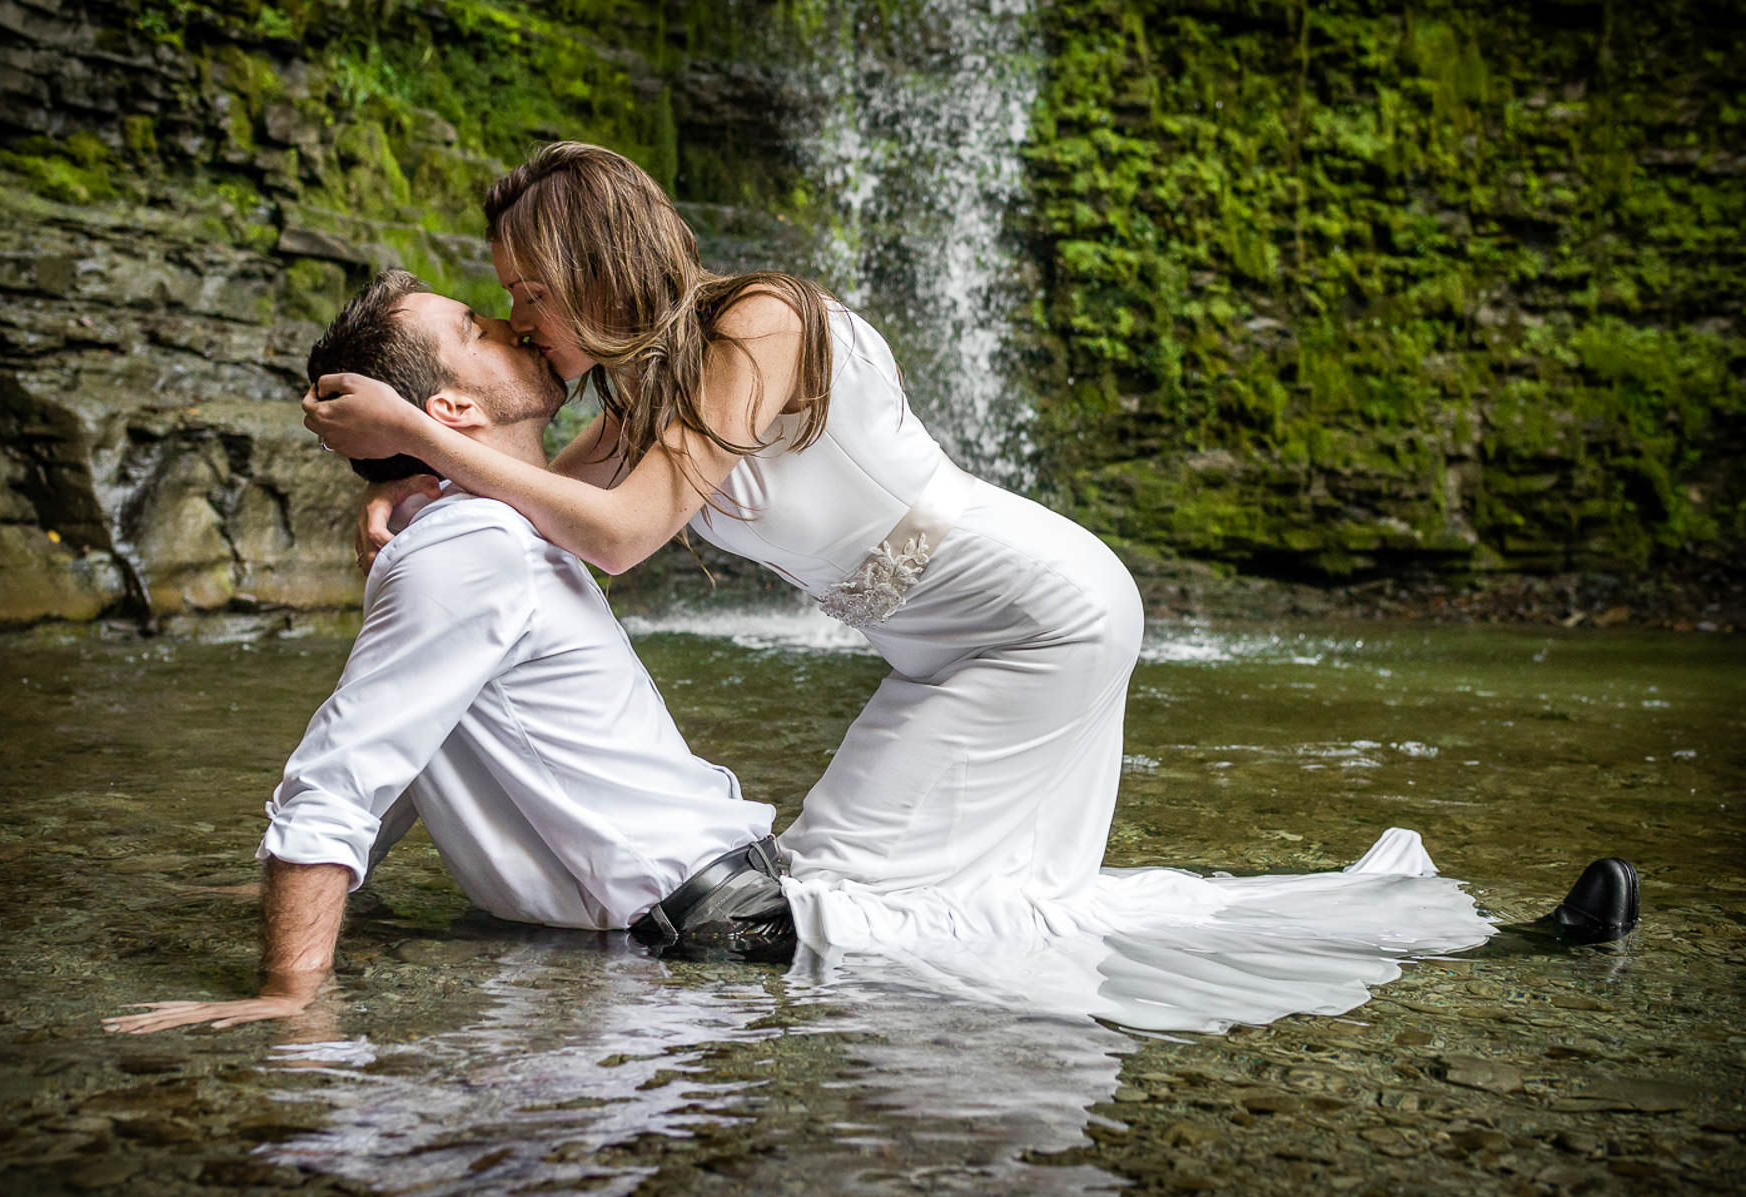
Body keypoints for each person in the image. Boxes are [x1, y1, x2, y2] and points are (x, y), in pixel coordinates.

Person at [300, 143, 1641, 962]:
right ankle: (1466, 938)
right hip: (944, 648)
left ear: (597, 260)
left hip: (1036, 617)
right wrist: (409, 491)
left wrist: (425, 433)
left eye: (530, 287)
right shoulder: (638, 407)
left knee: (833, 907)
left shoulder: (757, 323)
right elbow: (543, 501)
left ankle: (1482, 948)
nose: (525, 318)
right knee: (958, 907)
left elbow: (624, 535)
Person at [106, 271, 795, 1036]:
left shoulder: (484, 529)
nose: (515, 324)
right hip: (709, 952)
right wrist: (288, 995)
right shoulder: (475, 542)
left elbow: (393, 759)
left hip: (719, 936)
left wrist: (411, 464)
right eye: (478, 327)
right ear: (450, 408)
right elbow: (341, 778)